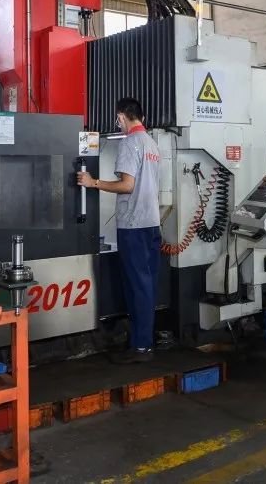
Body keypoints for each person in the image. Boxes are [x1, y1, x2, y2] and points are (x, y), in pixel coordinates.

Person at [77, 97, 161, 364]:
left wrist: (93, 182)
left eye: (118, 119)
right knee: (146, 286)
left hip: (134, 226)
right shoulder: (151, 144)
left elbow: (127, 185)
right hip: (151, 224)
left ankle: (141, 347)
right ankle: (143, 341)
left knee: (137, 287)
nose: (118, 123)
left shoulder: (129, 143)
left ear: (122, 116)